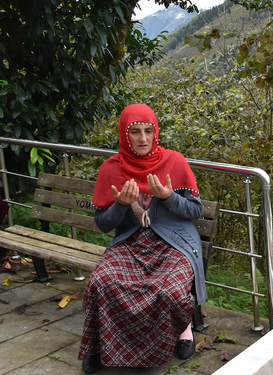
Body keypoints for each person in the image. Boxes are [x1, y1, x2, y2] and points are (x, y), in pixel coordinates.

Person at [78, 104, 206, 374]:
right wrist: (121, 205)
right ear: (125, 136)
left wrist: (168, 197)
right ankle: (98, 345)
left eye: (149, 131)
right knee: (102, 281)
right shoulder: (111, 168)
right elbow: (102, 224)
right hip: (131, 241)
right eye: (135, 132)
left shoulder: (174, 162)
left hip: (175, 242)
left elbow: (195, 210)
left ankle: (184, 331)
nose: (143, 138)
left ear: (156, 132)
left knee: (169, 289)